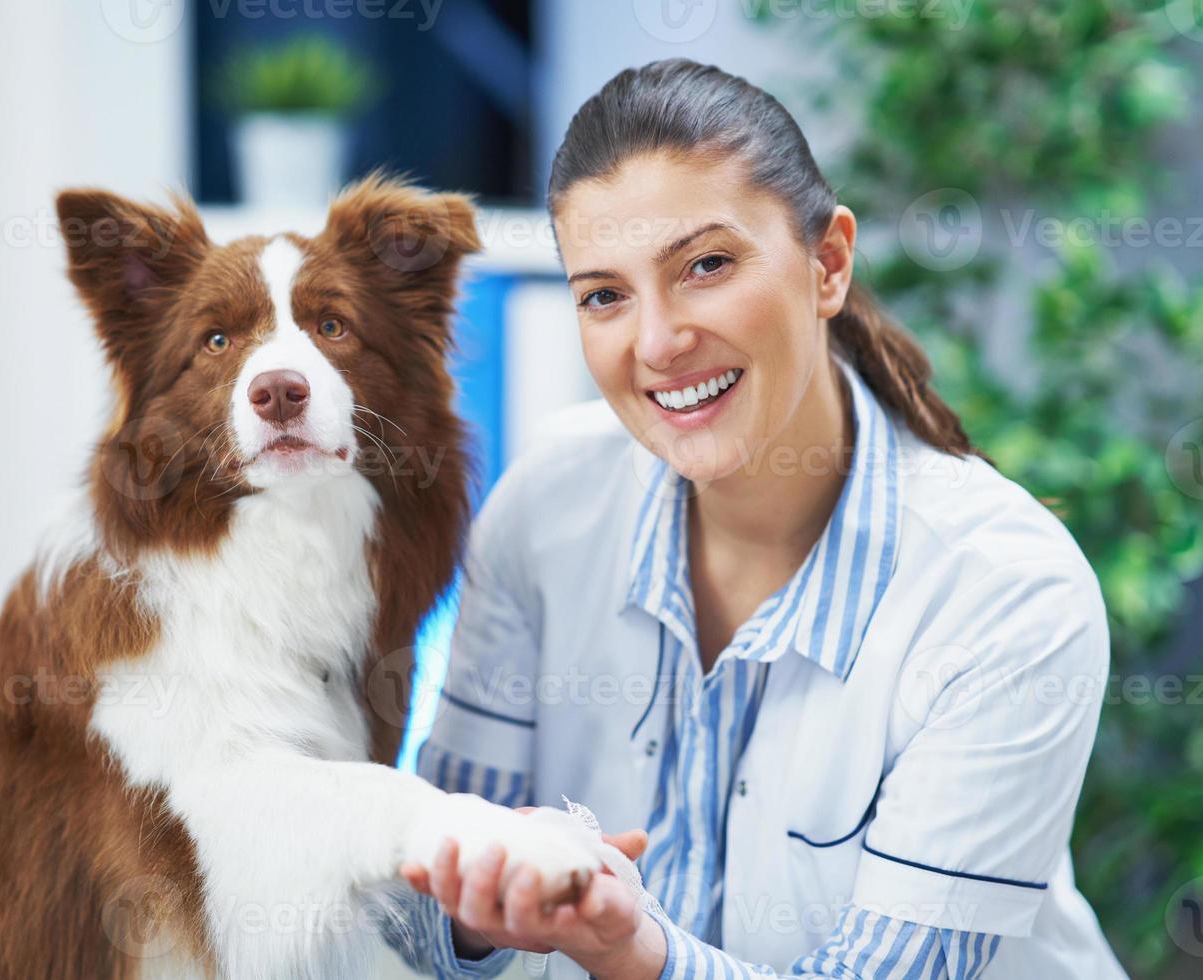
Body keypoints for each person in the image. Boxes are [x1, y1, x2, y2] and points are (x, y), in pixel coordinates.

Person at [390, 59, 1126, 979]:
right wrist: (482, 913)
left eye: (706, 265)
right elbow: (421, 921)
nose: (657, 343)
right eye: (605, 295)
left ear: (827, 263)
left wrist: (632, 948)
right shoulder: (542, 514)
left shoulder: (1007, 593)